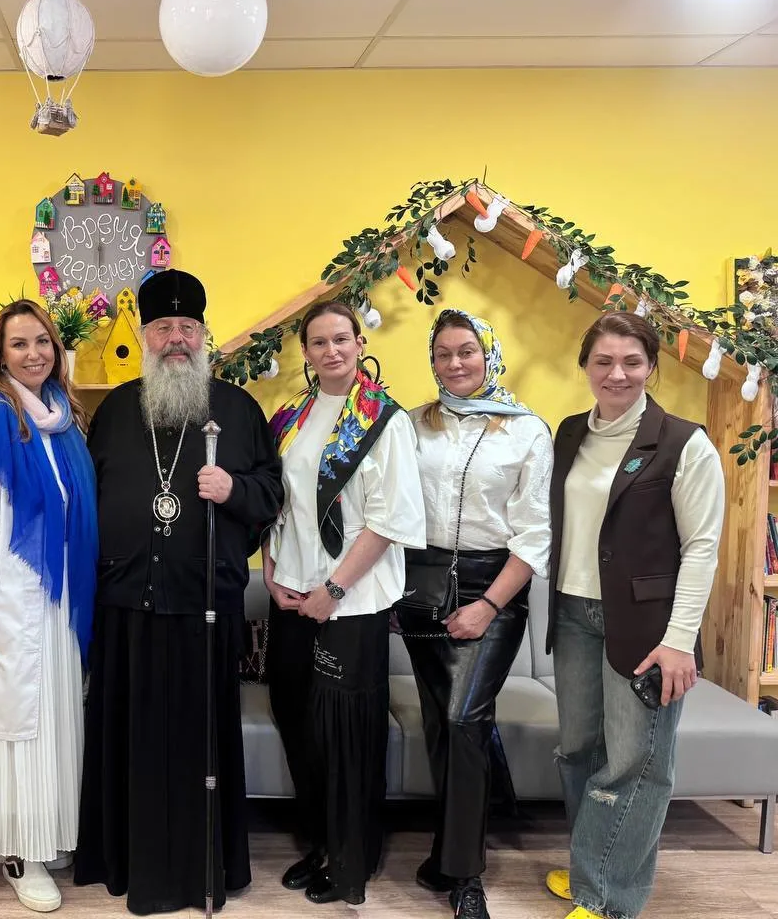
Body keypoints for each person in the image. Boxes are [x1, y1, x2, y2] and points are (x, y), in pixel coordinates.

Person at [75, 269, 284, 915]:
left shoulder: (239, 411)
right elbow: (87, 501)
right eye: (163, 327)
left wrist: (235, 490)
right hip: (126, 607)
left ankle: (203, 868)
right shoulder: (115, 412)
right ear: (145, 336)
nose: (175, 338)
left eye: (186, 327)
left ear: (203, 335)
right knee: (129, 744)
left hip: (205, 610)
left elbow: (273, 496)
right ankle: (123, 860)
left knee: (200, 750)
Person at [545, 312, 723, 919]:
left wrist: (680, 641)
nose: (616, 374)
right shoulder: (570, 433)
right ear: (585, 366)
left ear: (651, 367)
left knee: (634, 764)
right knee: (578, 752)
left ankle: (608, 899)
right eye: (603, 361)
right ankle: (590, 871)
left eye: (631, 362)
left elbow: (702, 548)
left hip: (648, 629)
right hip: (573, 614)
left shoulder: (684, 443)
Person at [262, 300, 425, 908]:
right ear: (305, 352)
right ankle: (320, 842)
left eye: (341, 339)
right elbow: (280, 505)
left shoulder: (384, 420)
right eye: (318, 342)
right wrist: (272, 573)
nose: (331, 350)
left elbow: (390, 518)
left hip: (351, 601)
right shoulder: (291, 417)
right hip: (292, 594)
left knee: (344, 734)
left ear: (360, 343)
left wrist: (333, 591)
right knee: (297, 719)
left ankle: (349, 856)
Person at [0, 299, 97, 914]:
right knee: (14, 727)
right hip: (5, 610)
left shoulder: (64, 422)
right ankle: (16, 852)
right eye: (18, 344)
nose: (33, 354)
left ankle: (46, 834)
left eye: (42, 342)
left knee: (53, 722)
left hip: (59, 609)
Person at [404, 309, 552, 919]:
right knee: (442, 723)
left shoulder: (526, 431)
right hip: (421, 585)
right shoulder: (414, 424)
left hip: (494, 585)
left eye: (467, 350)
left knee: (464, 718)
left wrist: (489, 606)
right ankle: (447, 853)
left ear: (488, 354)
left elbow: (536, 534)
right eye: (443, 353)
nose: (455, 363)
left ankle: (466, 876)